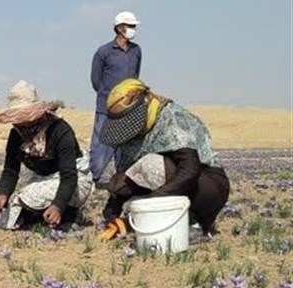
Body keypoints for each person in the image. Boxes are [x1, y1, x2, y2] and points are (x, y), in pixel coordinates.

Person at [98, 78, 230, 240]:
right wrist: (112, 209)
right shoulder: (134, 133)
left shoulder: (172, 117)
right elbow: (128, 176)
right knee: (131, 204)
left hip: (206, 187)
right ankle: (168, 221)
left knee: (148, 166)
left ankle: (191, 222)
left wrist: (153, 202)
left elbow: (189, 169)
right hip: (173, 188)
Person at [0, 81, 93, 229]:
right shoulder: (16, 135)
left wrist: (58, 205)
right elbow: (11, 170)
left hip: (75, 180)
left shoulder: (60, 130)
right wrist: (3, 194)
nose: (20, 125)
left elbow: (69, 175)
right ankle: (49, 215)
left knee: (29, 195)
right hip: (44, 180)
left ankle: (67, 211)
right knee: (2, 221)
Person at [90, 11, 142, 186]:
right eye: (131, 26)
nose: (133, 29)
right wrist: (110, 97)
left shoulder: (136, 51)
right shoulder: (103, 51)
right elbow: (96, 80)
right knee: (101, 142)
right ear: (120, 28)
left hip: (129, 107)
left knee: (125, 143)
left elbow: (135, 76)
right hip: (106, 107)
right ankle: (96, 177)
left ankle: (122, 178)